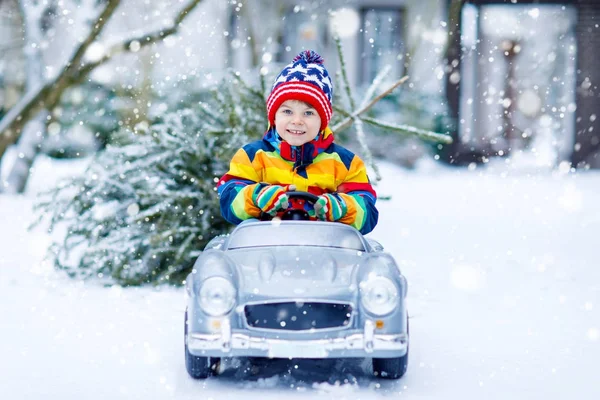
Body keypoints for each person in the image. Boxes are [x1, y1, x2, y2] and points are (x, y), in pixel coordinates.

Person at [217, 50, 378, 234]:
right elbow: (229, 200)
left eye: (308, 113)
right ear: (274, 117)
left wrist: (342, 207)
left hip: (324, 250)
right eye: (287, 111)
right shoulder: (252, 156)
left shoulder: (345, 164)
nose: (297, 120)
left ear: (323, 121)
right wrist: (255, 197)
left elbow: (368, 214)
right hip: (265, 250)